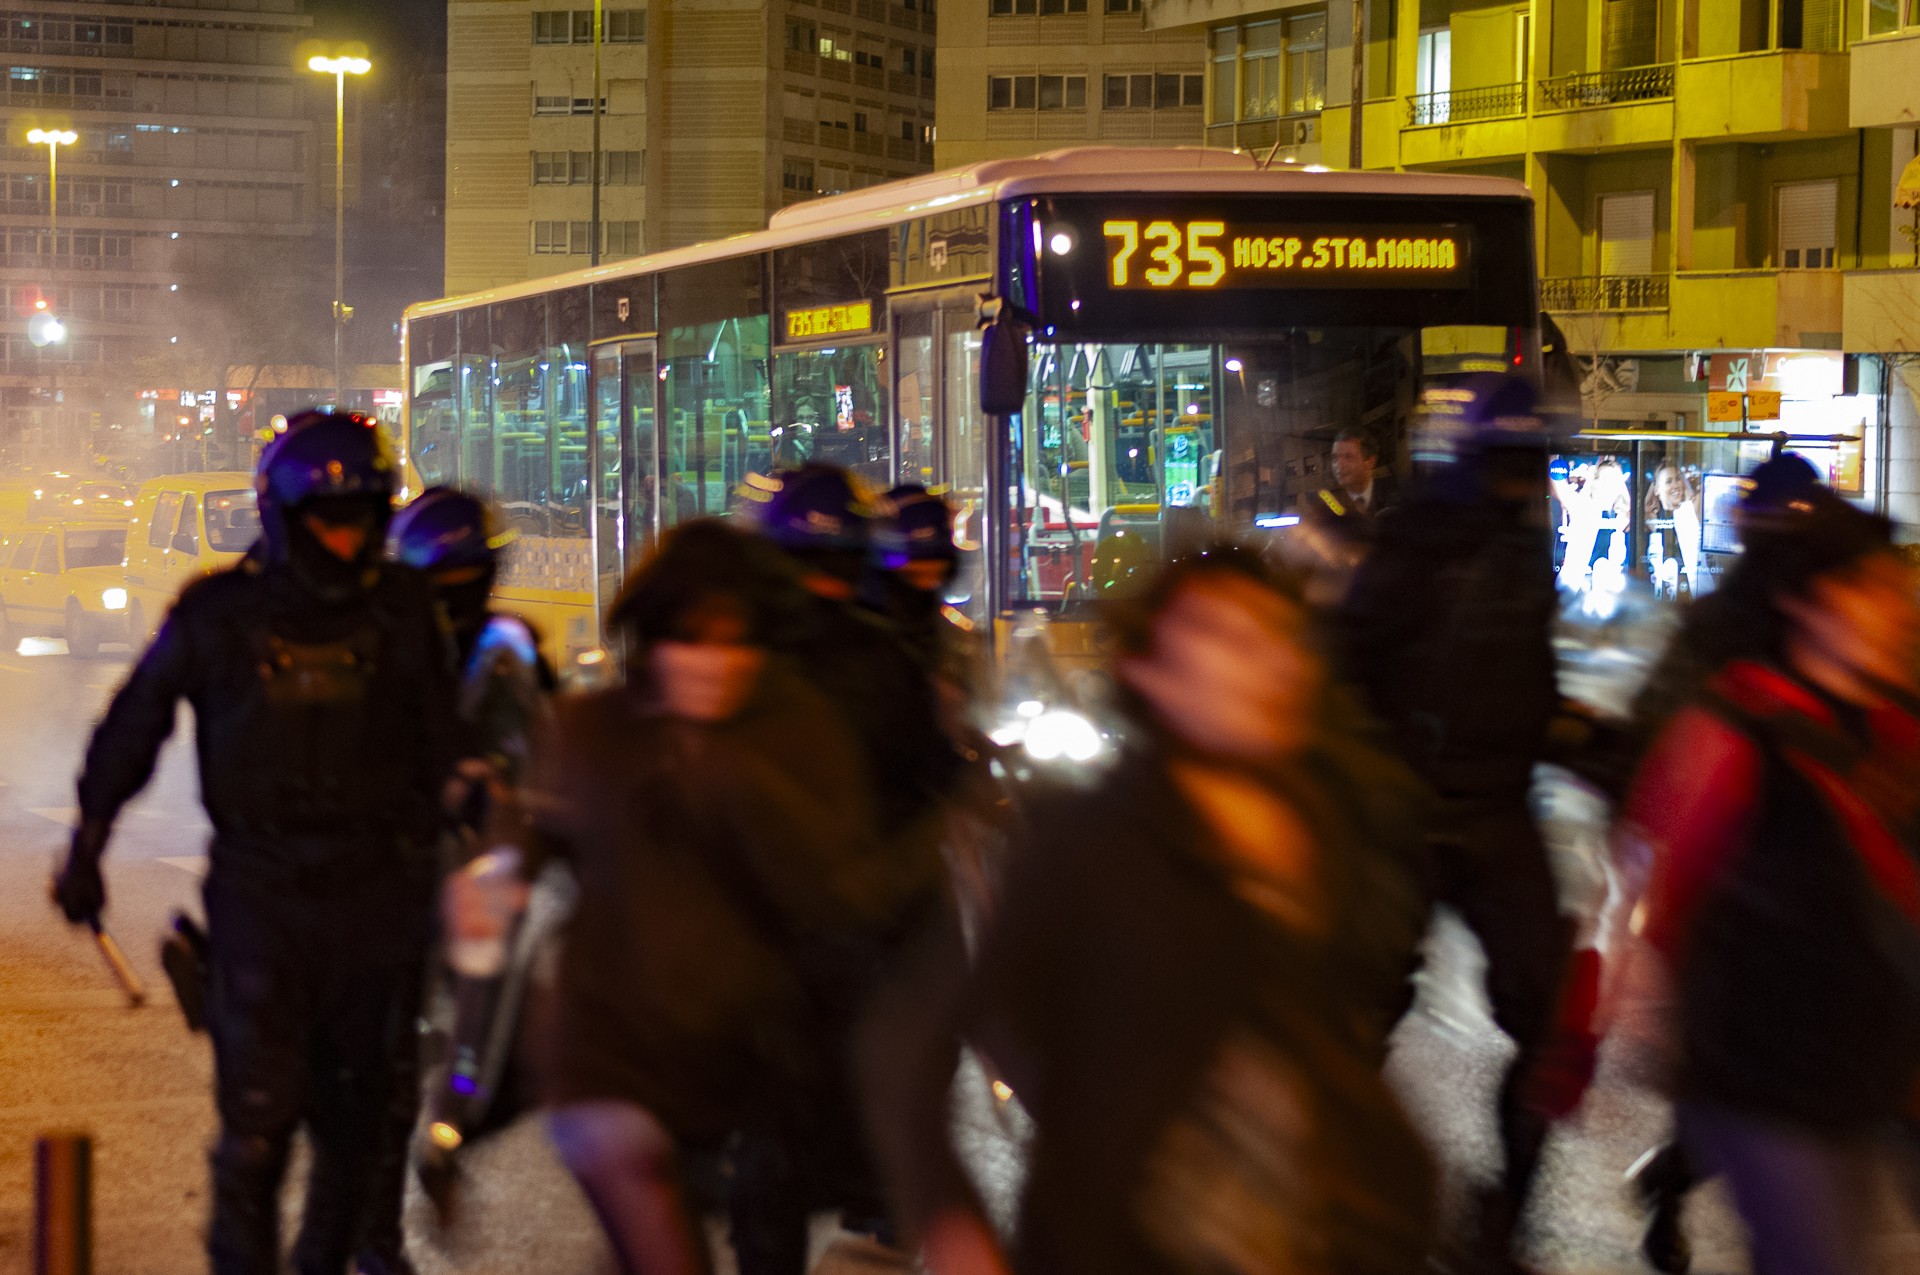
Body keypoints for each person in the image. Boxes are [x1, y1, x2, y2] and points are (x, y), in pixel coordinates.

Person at [862, 545, 1436, 1275]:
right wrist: (957, 1227)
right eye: (1222, 636)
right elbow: (911, 1045)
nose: (1261, 663)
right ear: (1149, 668)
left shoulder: (1329, 825)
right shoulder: (1088, 843)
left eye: (1275, 637)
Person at [52, 410, 461, 1275]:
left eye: (364, 519)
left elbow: (439, 745)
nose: (347, 543)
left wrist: (442, 866)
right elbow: (135, 724)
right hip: (261, 895)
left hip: (375, 895)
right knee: (257, 1130)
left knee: (358, 1128)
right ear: (284, 517)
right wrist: (88, 837)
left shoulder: (405, 610)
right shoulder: (218, 613)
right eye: (330, 522)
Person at [488, 519, 915, 1275]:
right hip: (607, 1056)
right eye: (691, 637)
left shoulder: (799, 732)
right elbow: (533, 828)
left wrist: (734, 781)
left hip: (741, 1065)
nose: (713, 662)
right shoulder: (594, 731)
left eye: (736, 639)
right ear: (652, 638)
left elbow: (836, 889)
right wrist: (494, 879)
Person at [1621, 488, 1920, 1274]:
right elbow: (1651, 882)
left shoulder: (1895, 723)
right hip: (1766, 1080)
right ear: (1808, 603)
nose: (1900, 610)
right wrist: (1594, 1037)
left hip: (1873, 1067)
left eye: (1900, 590)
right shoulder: (1732, 730)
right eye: (1876, 589)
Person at [1331, 373, 1575, 1273]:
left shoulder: (1520, 546)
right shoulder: (1422, 539)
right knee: (1352, 1022)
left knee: (1550, 1025)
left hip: (1499, 810)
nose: (1523, 480)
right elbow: (1349, 663)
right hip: (1410, 812)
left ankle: (1503, 1222)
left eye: (1532, 465)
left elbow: (1531, 679)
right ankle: (1353, 1211)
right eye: (1511, 464)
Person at [351, 487, 554, 1266]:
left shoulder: (510, 645)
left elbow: (549, 742)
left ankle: (446, 1137)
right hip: (397, 864)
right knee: (393, 1056)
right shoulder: (376, 645)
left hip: (483, 859)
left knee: (501, 1030)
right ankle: (381, 1223)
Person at [1327, 428, 1396, 520]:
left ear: (1371, 461)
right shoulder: (1328, 507)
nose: (1339, 465)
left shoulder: (1394, 498)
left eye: (1348, 457)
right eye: (1335, 458)